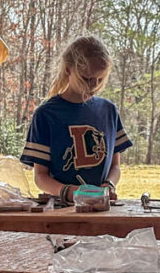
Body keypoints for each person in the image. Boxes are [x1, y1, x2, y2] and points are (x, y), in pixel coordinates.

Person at [19, 36, 132, 203]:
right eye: (86, 78)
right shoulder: (46, 114)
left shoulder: (108, 110)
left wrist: (109, 185)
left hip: (101, 206)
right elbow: (40, 177)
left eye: (100, 79)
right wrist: (68, 192)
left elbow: (115, 166)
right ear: (68, 70)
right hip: (61, 207)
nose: (93, 85)